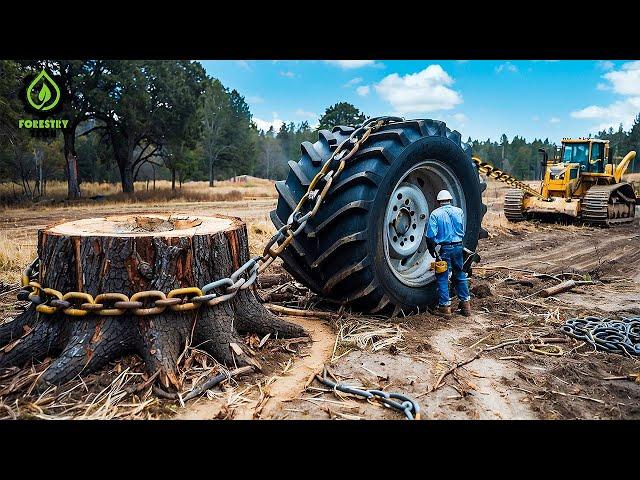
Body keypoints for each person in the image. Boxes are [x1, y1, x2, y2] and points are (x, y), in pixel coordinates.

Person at [425, 190, 471, 317]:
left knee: (443, 277)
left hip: (445, 249)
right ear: (450, 199)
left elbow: (430, 236)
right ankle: (466, 305)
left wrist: (432, 250)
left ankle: (445, 308)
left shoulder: (435, 214)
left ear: (439, 201)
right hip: (458, 247)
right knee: (460, 274)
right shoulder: (459, 211)